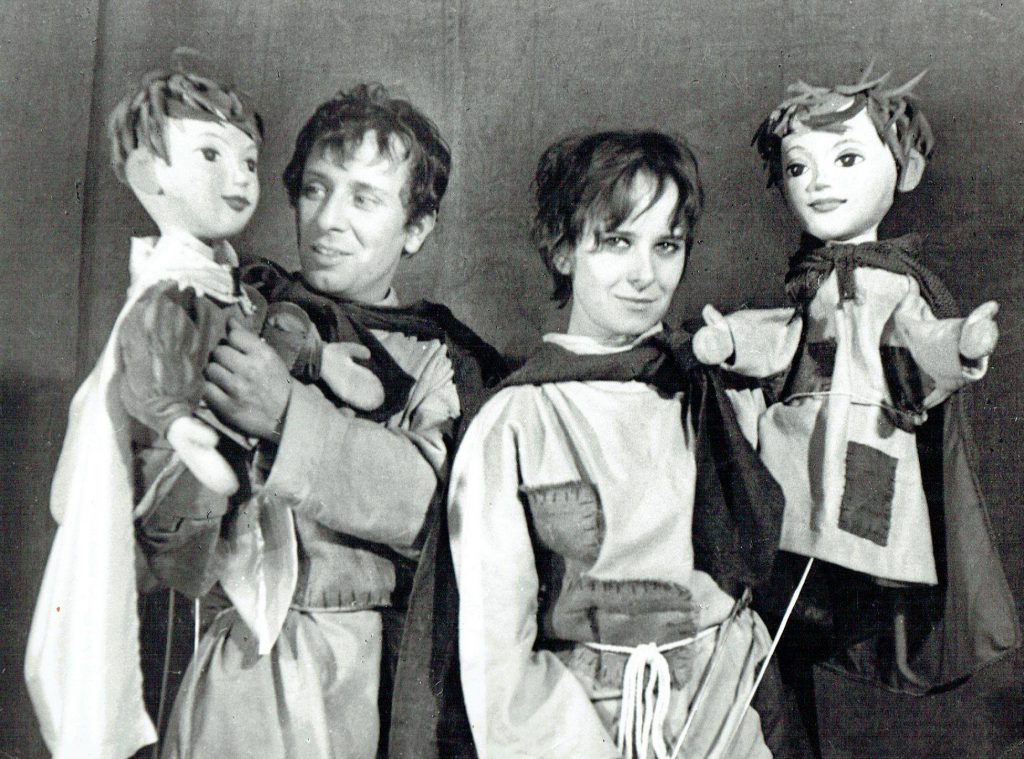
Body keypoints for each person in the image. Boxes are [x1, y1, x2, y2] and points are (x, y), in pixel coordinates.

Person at [157, 83, 504, 759]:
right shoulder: (240, 309)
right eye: (316, 190)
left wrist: (286, 414)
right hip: (243, 660)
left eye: (364, 199)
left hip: (370, 674)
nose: (328, 220)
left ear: (416, 228)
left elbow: (429, 508)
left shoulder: (438, 359)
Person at [448, 131, 808, 758]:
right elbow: (498, 665)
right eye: (617, 242)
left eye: (666, 245)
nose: (645, 275)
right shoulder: (515, 421)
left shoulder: (708, 394)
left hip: (727, 710)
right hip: (594, 725)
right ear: (564, 250)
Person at [692, 68, 1020, 693]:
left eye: (846, 159)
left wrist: (960, 343)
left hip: (867, 433)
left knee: (853, 544)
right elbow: (783, 336)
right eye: (799, 167)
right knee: (781, 535)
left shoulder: (898, 283)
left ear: (905, 171)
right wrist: (731, 341)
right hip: (800, 433)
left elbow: (921, 338)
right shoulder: (809, 282)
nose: (819, 183)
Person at [24, 59, 267, 759]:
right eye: (211, 155)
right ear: (149, 175)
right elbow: (146, 361)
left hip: (221, 504)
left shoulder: (224, 278)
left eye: (248, 161)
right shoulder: (169, 288)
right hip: (172, 493)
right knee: (162, 651)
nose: (239, 177)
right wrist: (181, 426)